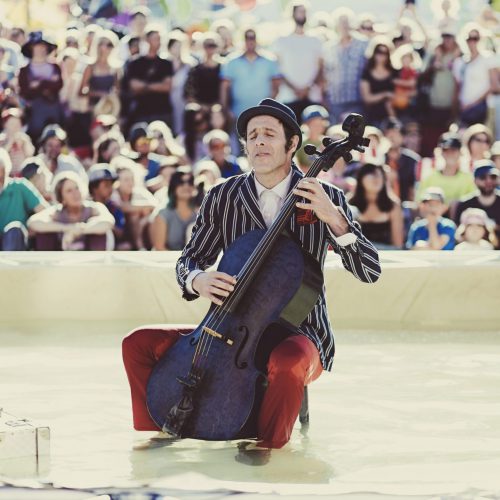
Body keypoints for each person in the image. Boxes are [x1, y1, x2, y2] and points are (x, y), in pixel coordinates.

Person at [122, 98, 381, 455]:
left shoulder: (325, 196)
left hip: (299, 330)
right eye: (252, 135)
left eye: (269, 134)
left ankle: (269, 450)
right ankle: (161, 431)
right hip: (229, 330)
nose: (259, 141)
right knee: (137, 343)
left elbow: (369, 271)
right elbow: (189, 260)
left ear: (292, 145)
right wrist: (198, 279)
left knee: (288, 361)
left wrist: (334, 218)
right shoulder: (222, 196)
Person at [27, 170, 114, 250]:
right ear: (62, 197)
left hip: (90, 256)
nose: (75, 193)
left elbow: (108, 221)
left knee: (99, 232)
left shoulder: (93, 208)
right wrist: (67, 228)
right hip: (62, 256)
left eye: (77, 188)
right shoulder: (57, 212)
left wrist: (78, 230)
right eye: (69, 191)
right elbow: (33, 222)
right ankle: (47, 266)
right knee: (44, 234)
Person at [323, 7, 368, 123]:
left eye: (347, 22)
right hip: (335, 102)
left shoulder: (363, 44)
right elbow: (325, 73)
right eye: (341, 22)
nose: (344, 26)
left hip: (357, 100)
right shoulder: (329, 47)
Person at [18, 31, 63, 141]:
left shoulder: (55, 67)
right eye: (37, 47)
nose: (40, 50)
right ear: (31, 48)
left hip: (53, 110)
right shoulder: (24, 71)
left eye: (43, 47)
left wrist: (40, 84)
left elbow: (58, 85)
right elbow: (25, 91)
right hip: (34, 113)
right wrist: (47, 84)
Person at [348, 162, 404, 249]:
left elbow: (398, 244)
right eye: (372, 174)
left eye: (380, 175)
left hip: (387, 256)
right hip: (357, 256)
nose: (377, 178)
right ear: (361, 178)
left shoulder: (393, 205)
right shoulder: (349, 203)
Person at [124, 26, 173, 126]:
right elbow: (134, 86)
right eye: (155, 39)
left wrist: (145, 86)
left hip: (162, 111)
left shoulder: (166, 63)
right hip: (142, 112)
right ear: (147, 40)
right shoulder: (135, 63)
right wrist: (156, 86)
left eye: (159, 39)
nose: (158, 42)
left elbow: (166, 87)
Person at [0, 148, 47, 250]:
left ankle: (8, 266)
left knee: (14, 230)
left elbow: (46, 212)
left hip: (14, 243)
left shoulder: (20, 186)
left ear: (6, 172)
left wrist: (32, 225)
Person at [454, 160, 500, 248]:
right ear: (474, 181)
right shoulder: (464, 205)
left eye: (493, 177)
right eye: (483, 177)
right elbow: (458, 235)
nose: (488, 181)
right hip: (471, 253)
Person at [149, 168, 198, 251]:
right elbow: (159, 248)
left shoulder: (199, 214)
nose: (186, 186)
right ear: (173, 187)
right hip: (165, 260)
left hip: (191, 261)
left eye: (190, 182)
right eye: (181, 183)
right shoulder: (163, 214)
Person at [360, 37, 398, 128]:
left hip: (394, 115)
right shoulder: (367, 73)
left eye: (385, 53)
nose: (381, 56)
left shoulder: (395, 72)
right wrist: (385, 94)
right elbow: (367, 98)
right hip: (373, 117)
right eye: (379, 52)